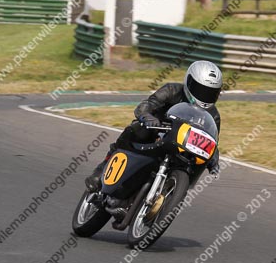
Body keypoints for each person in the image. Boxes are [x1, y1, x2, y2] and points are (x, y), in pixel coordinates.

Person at [85, 60, 223, 191]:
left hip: (182, 148)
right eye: (201, 90)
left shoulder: (213, 115)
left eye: (210, 93)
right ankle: (102, 169)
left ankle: (171, 194)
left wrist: (214, 161)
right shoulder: (171, 90)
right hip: (156, 132)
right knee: (135, 129)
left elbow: (212, 142)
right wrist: (148, 118)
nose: (204, 97)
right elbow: (145, 106)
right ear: (189, 82)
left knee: (197, 163)